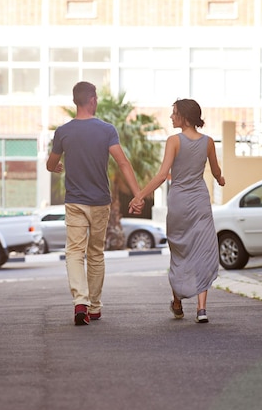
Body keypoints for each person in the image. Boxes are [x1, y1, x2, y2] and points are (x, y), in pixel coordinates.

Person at [47, 81, 144, 326]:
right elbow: (123, 163)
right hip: (101, 202)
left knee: (74, 252)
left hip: (75, 202)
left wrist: (55, 167)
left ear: (74, 101)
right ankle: (95, 307)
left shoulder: (63, 131)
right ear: (92, 100)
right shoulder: (106, 130)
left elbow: (51, 163)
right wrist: (138, 195)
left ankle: (81, 301)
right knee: (95, 254)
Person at [129, 99, 225, 323]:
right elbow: (216, 170)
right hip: (200, 201)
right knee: (202, 250)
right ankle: (201, 310)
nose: (171, 117)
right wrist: (220, 179)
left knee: (180, 250)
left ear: (184, 117)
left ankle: (177, 302)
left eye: (174, 113)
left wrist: (139, 196)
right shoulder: (209, 142)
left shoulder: (173, 141)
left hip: (179, 201)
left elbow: (163, 175)